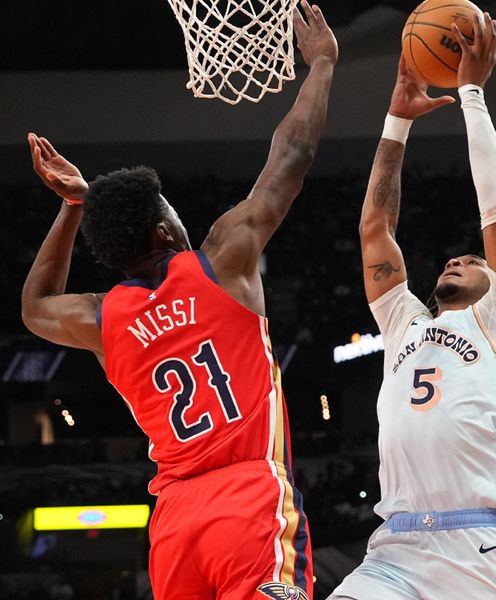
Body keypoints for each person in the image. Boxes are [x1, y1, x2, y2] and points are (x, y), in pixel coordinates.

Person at [20, 3, 336, 598]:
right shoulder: (222, 261)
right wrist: (320, 64)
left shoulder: (101, 317)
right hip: (248, 496)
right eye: (169, 207)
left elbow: (35, 306)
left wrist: (72, 208)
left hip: (173, 518)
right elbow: (290, 159)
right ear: (164, 232)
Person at [330, 12, 496, 600]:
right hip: (394, 546)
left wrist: (471, 94)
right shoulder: (403, 323)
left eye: (471, 261)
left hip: (476, 549)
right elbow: (375, 226)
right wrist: (396, 119)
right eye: (453, 259)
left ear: (494, 278)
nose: (455, 260)